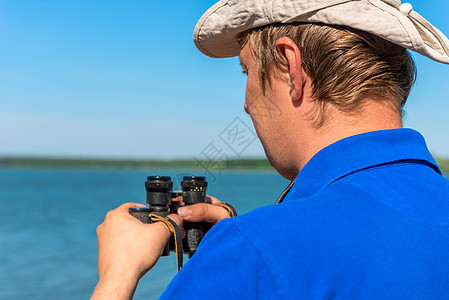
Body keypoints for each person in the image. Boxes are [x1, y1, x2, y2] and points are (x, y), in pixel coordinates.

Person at [91, 0, 449, 299]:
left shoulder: (254, 252)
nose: (246, 104)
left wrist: (118, 273)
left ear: (292, 68)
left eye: (245, 71)